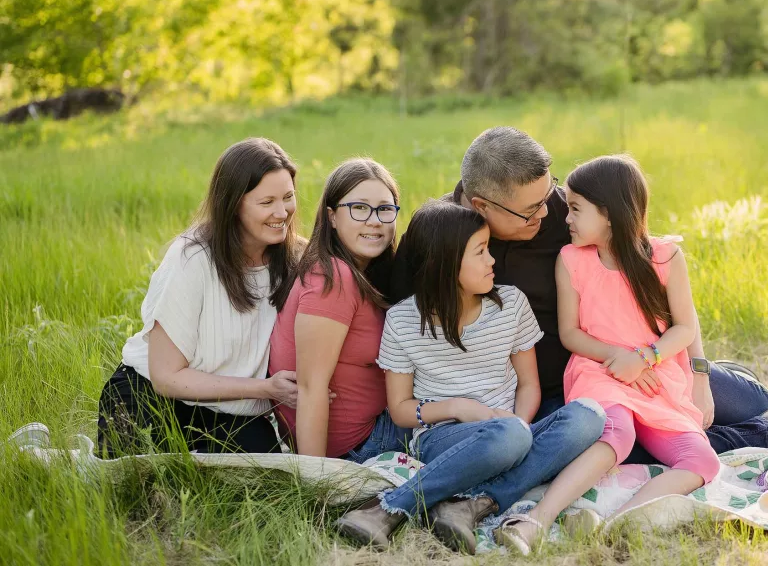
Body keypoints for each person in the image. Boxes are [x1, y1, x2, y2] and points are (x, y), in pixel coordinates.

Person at [390, 126, 768, 457]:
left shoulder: (562, 210)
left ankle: (742, 393)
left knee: (749, 399)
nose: (550, 211)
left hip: (632, 360)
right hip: (542, 393)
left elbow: (650, 275)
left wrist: (695, 370)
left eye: (550, 195)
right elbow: (398, 322)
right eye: (531, 210)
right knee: (609, 448)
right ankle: (761, 433)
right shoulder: (436, 235)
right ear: (481, 206)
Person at [335, 201, 606, 554]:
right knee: (509, 435)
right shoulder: (402, 321)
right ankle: (388, 507)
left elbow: (529, 385)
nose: (492, 260)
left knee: (589, 416)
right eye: (480, 252)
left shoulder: (511, 304)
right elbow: (401, 410)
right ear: (444, 265)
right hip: (442, 436)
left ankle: (470, 505)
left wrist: (518, 428)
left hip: (509, 428)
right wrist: (461, 407)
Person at [492, 154, 720, 552]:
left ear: (611, 214)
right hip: (599, 370)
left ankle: (617, 523)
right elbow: (570, 334)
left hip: (655, 375)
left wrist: (646, 357)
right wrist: (620, 358)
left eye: (576, 209)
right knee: (617, 433)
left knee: (704, 461)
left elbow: (685, 327)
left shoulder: (665, 257)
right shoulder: (572, 260)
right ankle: (535, 520)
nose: (566, 218)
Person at [97, 138, 300, 457]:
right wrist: (266, 389)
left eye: (288, 197)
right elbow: (166, 377)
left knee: (269, 492)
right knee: (141, 491)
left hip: (233, 413)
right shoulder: (192, 259)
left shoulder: (296, 260)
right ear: (233, 205)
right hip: (151, 397)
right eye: (266, 202)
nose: (282, 212)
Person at [268, 158, 412, 462]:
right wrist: (318, 484)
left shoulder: (359, 273)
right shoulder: (332, 277)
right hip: (361, 445)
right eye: (359, 208)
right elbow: (311, 388)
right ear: (332, 217)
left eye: (385, 209)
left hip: (372, 430)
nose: (375, 220)